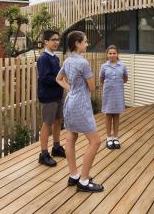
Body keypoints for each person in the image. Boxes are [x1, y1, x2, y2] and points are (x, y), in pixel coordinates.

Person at [56, 31, 104, 192]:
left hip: (70, 102)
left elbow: (58, 78)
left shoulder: (68, 61)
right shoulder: (83, 63)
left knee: (71, 137)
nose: (87, 44)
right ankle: (83, 181)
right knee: (96, 141)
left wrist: (70, 88)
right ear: (77, 43)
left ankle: (74, 175)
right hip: (81, 104)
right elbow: (91, 87)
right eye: (85, 41)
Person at [37, 30, 65, 167]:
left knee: (58, 121)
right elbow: (45, 78)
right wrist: (60, 81)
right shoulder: (44, 58)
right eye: (53, 40)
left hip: (57, 95)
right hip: (48, 96)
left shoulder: (55, 57)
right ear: (46, 42)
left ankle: (56, 147)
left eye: (58, 39)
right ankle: (43, 153)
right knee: (47, 124)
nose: (56, 42)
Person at [100, 45, 128, 149]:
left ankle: (115, 137)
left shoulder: (122, 66)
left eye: (114, 53)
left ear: (117, 54)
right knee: (108, 115)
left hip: (118, 93)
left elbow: (125, 78)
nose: (112, 55)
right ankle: (108, 137)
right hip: (108, 93)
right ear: (107, 55)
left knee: (116, 115)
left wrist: (117, 84)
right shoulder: (104, 66)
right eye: (110, 53)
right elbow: (101, 79)